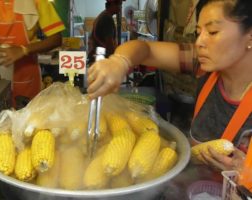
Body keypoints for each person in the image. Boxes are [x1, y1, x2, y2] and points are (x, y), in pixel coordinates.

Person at [87, 0, 252, 173]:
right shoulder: (202, 64)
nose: (199, 42)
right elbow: (145, 49)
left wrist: (247, 174)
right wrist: (119, 62)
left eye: (212, 32)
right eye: (198, 32)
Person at [0, 0, 65, 108]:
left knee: (26, 119)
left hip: (25, 74)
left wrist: (23, 50)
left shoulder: (38, 2)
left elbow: (56, 39)